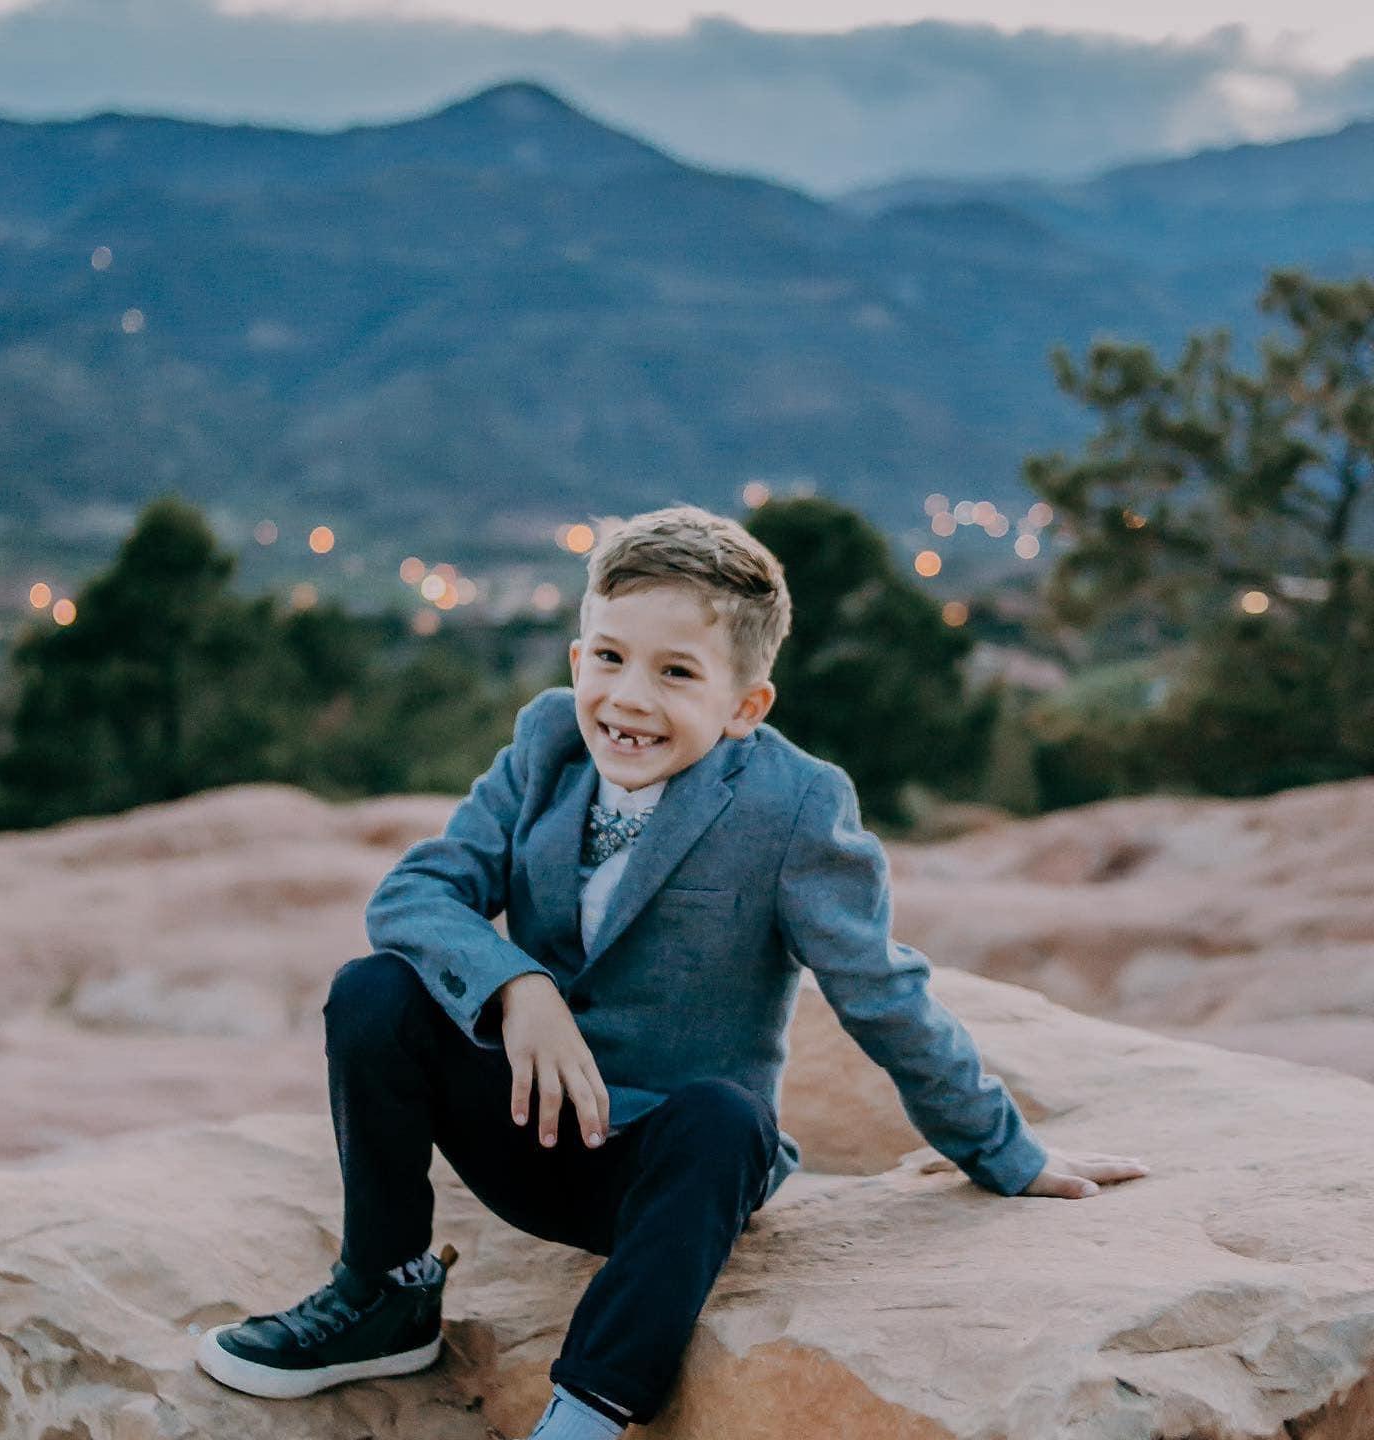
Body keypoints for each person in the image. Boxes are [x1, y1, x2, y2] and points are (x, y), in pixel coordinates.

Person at [196, 504, 1148, 1438]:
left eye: (676, 672)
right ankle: (387, 1296)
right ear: (577, 659)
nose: (630, 699)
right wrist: (518, 987)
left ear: (744, 707)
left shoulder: (795, 805)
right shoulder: (547, 744)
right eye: (609, 658)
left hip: (664, 1177)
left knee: (727, 1119)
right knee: (376, 991)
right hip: (524, 1127)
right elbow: (414, 895)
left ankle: (585, 1413)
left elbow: (880, 992)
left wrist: (1002, 1151)